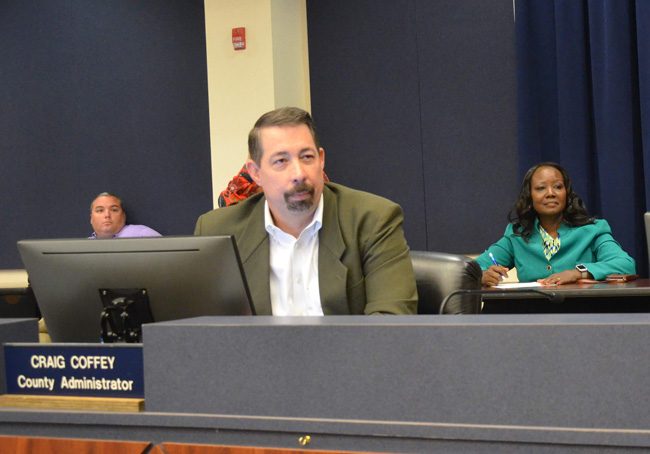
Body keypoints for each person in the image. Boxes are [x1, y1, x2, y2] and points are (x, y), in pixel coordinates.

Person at [194, 107, 417, 315]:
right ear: (255, 172)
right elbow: (204, 332)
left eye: (307, 157)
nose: (299, 173)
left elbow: (390, 325)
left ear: (321, 160)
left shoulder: (373, 220)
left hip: (350, 356)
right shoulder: (218, 231)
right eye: (281, 161)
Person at [476, 162, 636, 286]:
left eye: (558, 187)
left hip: (583, 312)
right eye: (540, 188)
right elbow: (471, 269)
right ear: (529, 197)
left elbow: (625, 264)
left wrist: (577, 273)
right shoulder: (516, 234)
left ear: (567, 193)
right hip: (532, 314)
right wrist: (482, 275)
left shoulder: (593, 230)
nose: (551, 193)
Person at [89, 192, 161, 239]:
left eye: (114, 210)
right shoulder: (84, 246)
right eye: (100, 210)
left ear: (123, 216)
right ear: (91, 218)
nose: (107, 215)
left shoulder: (142, 234)